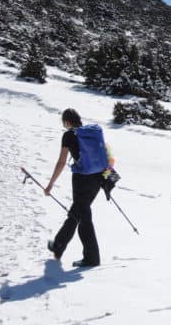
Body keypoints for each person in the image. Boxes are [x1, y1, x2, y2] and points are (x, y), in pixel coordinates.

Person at [45, 108, 106, 268]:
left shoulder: (69, 135)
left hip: (82, 178)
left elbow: (61, 161)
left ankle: (92, 258)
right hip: (98, 177)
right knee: (78, 212)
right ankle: (58, 244)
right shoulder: (91, 132)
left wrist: (51, 183)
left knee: (83, 217)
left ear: (66, 122)